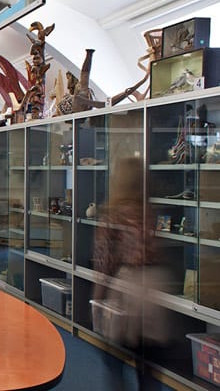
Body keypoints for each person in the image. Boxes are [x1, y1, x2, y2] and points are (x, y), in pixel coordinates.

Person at [93, 156, 171, 390]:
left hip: (127, 291)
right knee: (149, 368)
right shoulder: (150, 212)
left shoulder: (112, 215)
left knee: (113, 359)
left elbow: (104, 263)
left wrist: (97, 301)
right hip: (155, 290)